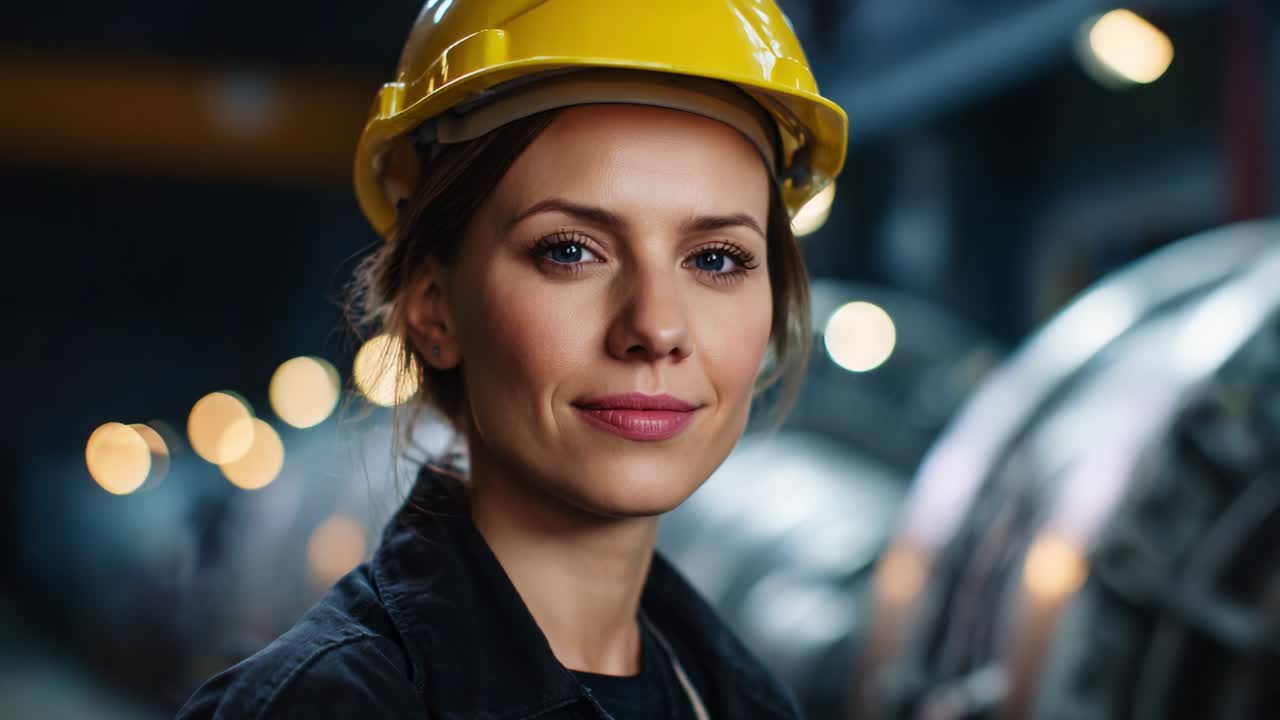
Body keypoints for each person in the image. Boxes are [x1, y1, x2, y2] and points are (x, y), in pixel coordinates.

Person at [176, 0, 846, 717]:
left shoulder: (739, 700)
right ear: (434, 309)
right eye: (570, 251)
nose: (655, 327)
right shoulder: (319, 706)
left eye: (716, 258)